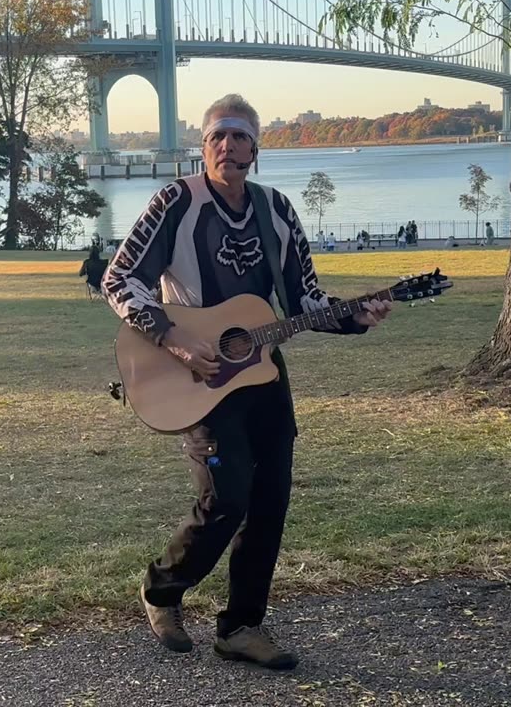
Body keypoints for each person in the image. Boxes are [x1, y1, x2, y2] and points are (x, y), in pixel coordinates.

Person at [101, 94, 391, 670]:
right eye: (217, 137)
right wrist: (175, 339)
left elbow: (304, 299)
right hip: (196, 374)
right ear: (203, 147)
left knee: (270, 501)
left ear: (256, 150)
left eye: (240, 138)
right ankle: (163, 587)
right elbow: (120, 279)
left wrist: (357, 315)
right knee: (226, 497)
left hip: (263, 374)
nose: (228, 147)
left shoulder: (276, 208)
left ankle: (241, 627)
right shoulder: (175, 203)